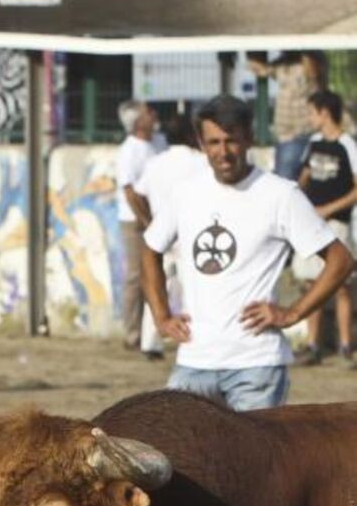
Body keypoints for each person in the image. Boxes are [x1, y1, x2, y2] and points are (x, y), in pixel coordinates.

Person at [142, 95, 353, 411]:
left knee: (249, 448)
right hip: (194, 361)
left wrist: (293, 313)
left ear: (249, 139)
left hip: (256, 366)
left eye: (232, 141)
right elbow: (150, 249)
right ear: (200, 143)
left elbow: (341, 260)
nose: (223, 152)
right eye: (214, 142)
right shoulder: (185, 193)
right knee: (173, 443)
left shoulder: (280, 194)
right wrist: (161, 316)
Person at [132, 113, 208, 360]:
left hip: (161, 233)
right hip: (191, 234)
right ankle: (194, 338)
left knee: (157, 287)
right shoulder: (201, 162)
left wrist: (148, 222)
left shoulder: (155, 163)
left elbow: (136, 192)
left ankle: (150, 343)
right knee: (194, 288)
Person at [291, 90, 357, 366]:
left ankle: (346, 345)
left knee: (341, 286)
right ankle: (313, 344)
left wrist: (329, 209)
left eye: (312, 112)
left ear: (324, 113)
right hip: (312, 225)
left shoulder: (347, 145)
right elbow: (304, 177)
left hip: (336, 224)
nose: (309, 118)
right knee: (310, 285)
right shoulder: (314, 143)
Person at [115, 100, 164, 351]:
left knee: (156, 275)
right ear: (137, 122)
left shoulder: (160, 142)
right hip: (135, 221)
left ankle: (152, 332)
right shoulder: (129, 151)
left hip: (157, 218)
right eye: (148, 113)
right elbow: (130, 192)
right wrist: (146, 221)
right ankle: (132, 333)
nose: (153, 115)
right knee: (136, 277)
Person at [248, 51, 324, 180]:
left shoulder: (310, 62)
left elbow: (313, 71)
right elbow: (260, 69)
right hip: (286, 136)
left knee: (308, 181)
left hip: (305, 132)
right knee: (285, 180)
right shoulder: (282, 65)